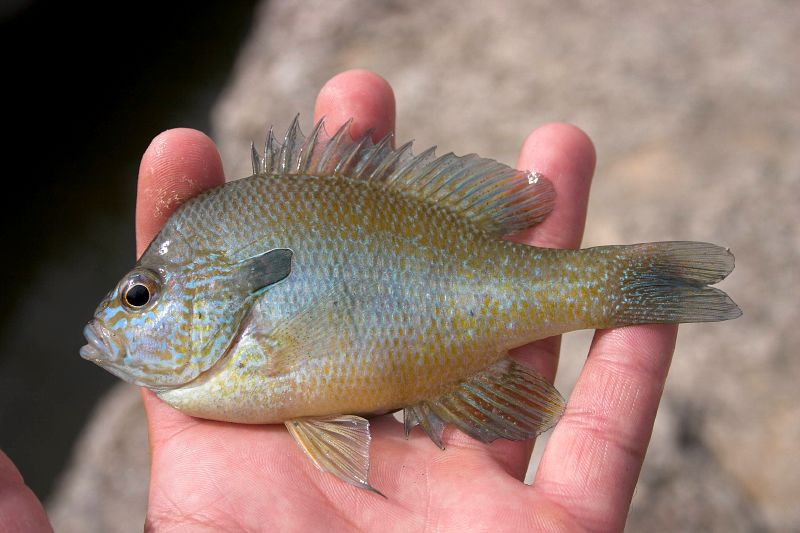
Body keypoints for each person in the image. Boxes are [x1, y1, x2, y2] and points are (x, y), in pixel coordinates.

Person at [1, 70, 679, 532]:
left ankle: (625, 282)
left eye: (141, 295)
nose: (115, 322)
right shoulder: (227, 357)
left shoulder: (238, 353)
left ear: (226, 285)